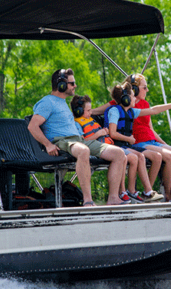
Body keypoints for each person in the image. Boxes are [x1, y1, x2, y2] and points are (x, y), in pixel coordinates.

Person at [27, 68, 126, 207]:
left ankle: (113, 198)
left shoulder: (62, 102)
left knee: (119, 153)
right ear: (61, 84)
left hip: (79, 140)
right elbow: (32, 126)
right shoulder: (47, 102)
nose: (75, 86)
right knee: (83, 150)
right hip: (62, 141)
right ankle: (88, 201)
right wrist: (48, 145)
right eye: (72, 83)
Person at [105, 83, 171, 202]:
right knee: (136, 157)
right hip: (118, 145)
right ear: (126, 99)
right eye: (133, 96)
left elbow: (154, 110)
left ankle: (142, 192)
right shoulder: (115, 110)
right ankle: (130, 191)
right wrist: (129, 139)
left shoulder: (132, 112)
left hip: (127, 146)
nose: (135, 99)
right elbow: (113, 133)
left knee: (139, 157)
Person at [71, 94, 133, 203]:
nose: (91, 113)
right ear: (78, 112)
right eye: (88, 110)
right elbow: (82, 140)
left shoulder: (90, 119)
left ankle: (119, 194)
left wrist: (104, 132)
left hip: (103, 146)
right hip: (91, 149)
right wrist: (99, 133)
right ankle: (116, 196)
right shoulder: (76, 123)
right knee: (121, 155)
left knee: (124, 158)